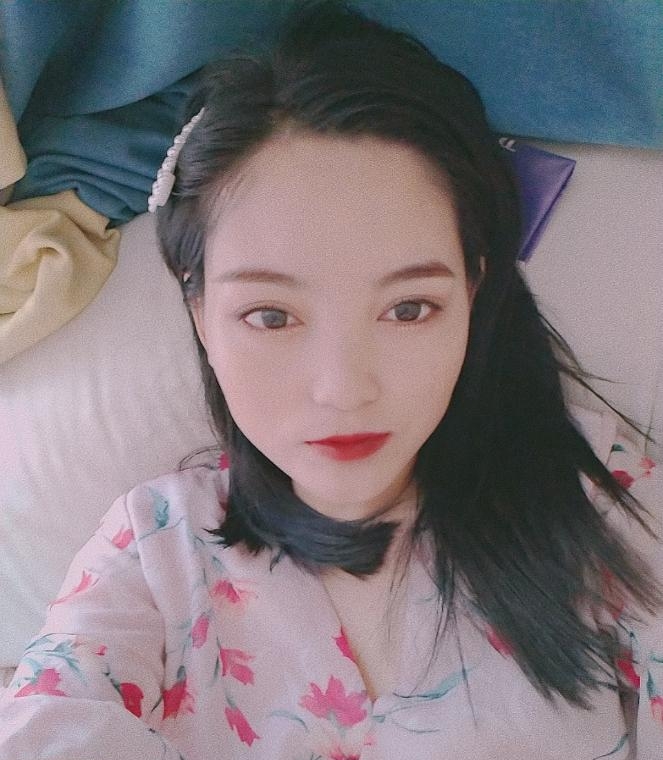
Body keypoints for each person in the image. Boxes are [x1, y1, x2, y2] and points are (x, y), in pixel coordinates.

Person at [1, 2, 661, 758]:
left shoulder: (597, 493)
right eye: (271, 316)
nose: (343, 390)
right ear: (198, 311)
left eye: (408, 308)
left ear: (473, 295)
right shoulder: (155, 550)